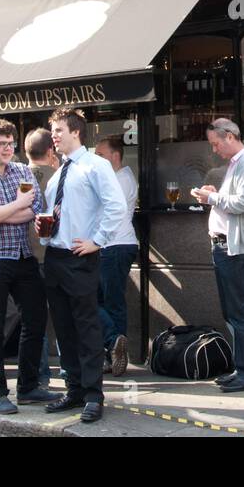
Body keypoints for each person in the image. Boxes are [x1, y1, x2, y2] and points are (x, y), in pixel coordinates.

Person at [39, 109, 127, 423]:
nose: (53, 136)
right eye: (52, 131)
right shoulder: (59, 172)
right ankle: (74, 389)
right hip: (55, 256)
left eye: (58, 130)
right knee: (64, 329)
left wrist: (97, 241)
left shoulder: (95, 165)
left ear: (76, 132)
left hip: (79, 257)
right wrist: (44, 229)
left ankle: (93, 395)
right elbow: (59, 212)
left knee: (87, 329)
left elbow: (117, 206)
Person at [0, 119, 54, 414]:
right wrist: (17, 205)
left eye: (10, 143)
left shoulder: (23, 171)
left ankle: (28, 387)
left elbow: (35, 208)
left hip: (21, 254)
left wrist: (3, 212)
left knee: (36, 319)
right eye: (1, 144)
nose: (7, 149)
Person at [192, 117, 244, 393]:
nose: (214, 150)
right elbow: (235, 200)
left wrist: (211, 198)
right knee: (233, 311)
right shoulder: (238, 163)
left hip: (234, 247)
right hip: (227, 245)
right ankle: (242, 369)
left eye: (216, 144)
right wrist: (215, 193)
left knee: (240, 312)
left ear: (230, 136)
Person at [93, 135, 140, 376]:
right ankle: (112, 349)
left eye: (100, 155)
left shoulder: (121, 179)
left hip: (114, 246)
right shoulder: (117, 177)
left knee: (108, 302)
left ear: (115, 155)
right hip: (111, 246)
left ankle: (114, 346)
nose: (96, 159)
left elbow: (105, 213)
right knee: (104, 301)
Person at [25, 127, 61, 382]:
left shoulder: (15, 178)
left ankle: (41, 375)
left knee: (33, 320)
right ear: (51, 151)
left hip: (26, 257)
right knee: (63, 316)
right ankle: (69, 371)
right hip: (56, 255)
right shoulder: (61, 176)